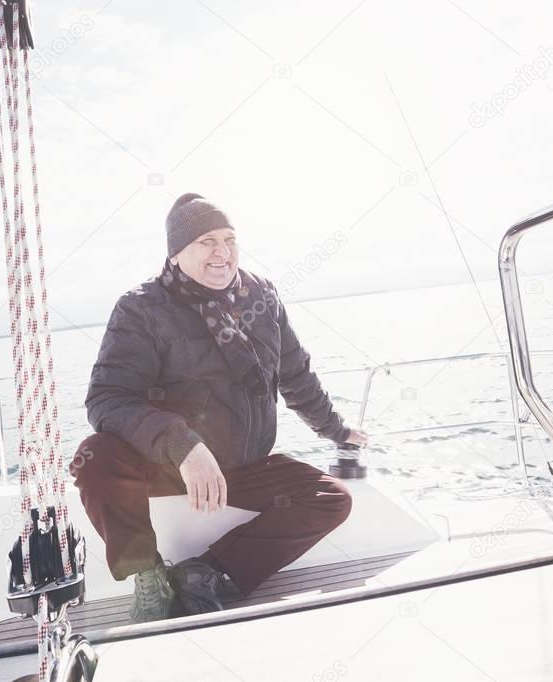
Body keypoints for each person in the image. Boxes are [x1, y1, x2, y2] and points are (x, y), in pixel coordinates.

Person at [71, 193, 369, 624]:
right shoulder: (141, 308)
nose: (222, 252)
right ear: (176, 254)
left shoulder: (262, 296)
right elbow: (107, 399)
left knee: (331, 498)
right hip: (169, 467)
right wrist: (181, 444)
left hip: (244, 467)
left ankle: (206, 574)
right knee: (95, 457)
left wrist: (337, 430)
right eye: (206, 241)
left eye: (229, 239)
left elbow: (296, 376)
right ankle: (148, 575)